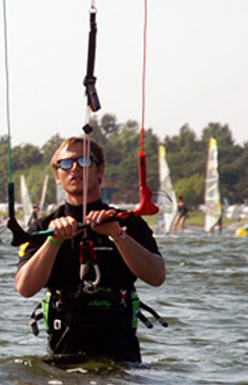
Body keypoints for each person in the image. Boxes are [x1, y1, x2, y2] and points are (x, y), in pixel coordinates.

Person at [15, 137, 165, 366]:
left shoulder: (128, 223)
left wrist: (117, 235)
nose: (74, 168)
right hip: (63, 360)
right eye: (66, 163)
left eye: (84, 161)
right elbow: (25, 288)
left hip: (122, 362)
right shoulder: (42, 228)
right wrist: (54, 241)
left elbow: (157, 276)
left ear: (100, 170)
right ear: (57, 176)